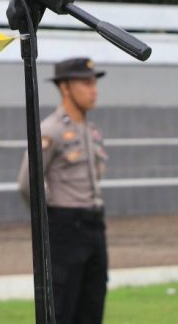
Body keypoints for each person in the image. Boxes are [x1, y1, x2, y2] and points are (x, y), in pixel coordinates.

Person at [17, 57, 108, 324]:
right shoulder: (51, 130)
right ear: (65, 87)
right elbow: (27, 183)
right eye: (86, 83)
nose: (94, 89)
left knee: (92, 306)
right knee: (62, 307)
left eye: (94, 83)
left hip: (94, 224)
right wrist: (51, 219)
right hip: (65, 226)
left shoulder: (91, 132)